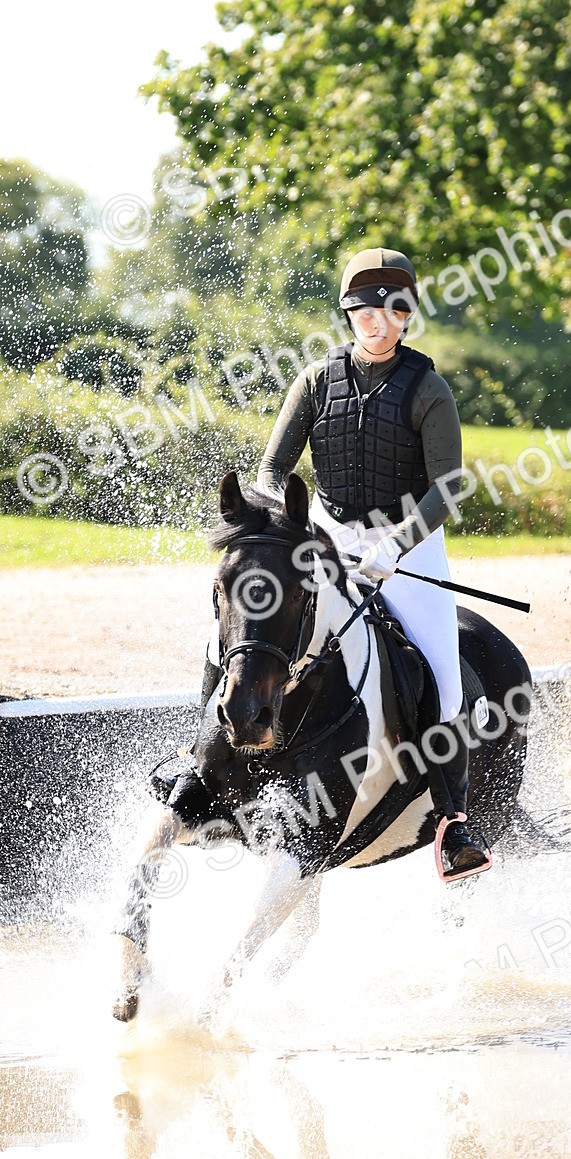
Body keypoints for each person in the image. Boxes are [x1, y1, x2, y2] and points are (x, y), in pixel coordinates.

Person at [212, 247, 490, 878]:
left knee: (443, 680)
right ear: (349, 311)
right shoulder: (314, 380)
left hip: (409, 545)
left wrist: (395, 544)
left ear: (406, 315)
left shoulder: (428, 388)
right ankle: (201, 755)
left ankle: (451, 825)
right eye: (365, 307)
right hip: (328, 536)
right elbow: (271, 470)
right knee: (245, 630)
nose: (378, 320)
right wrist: (293, 528)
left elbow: (447, 488)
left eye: (393, 309)